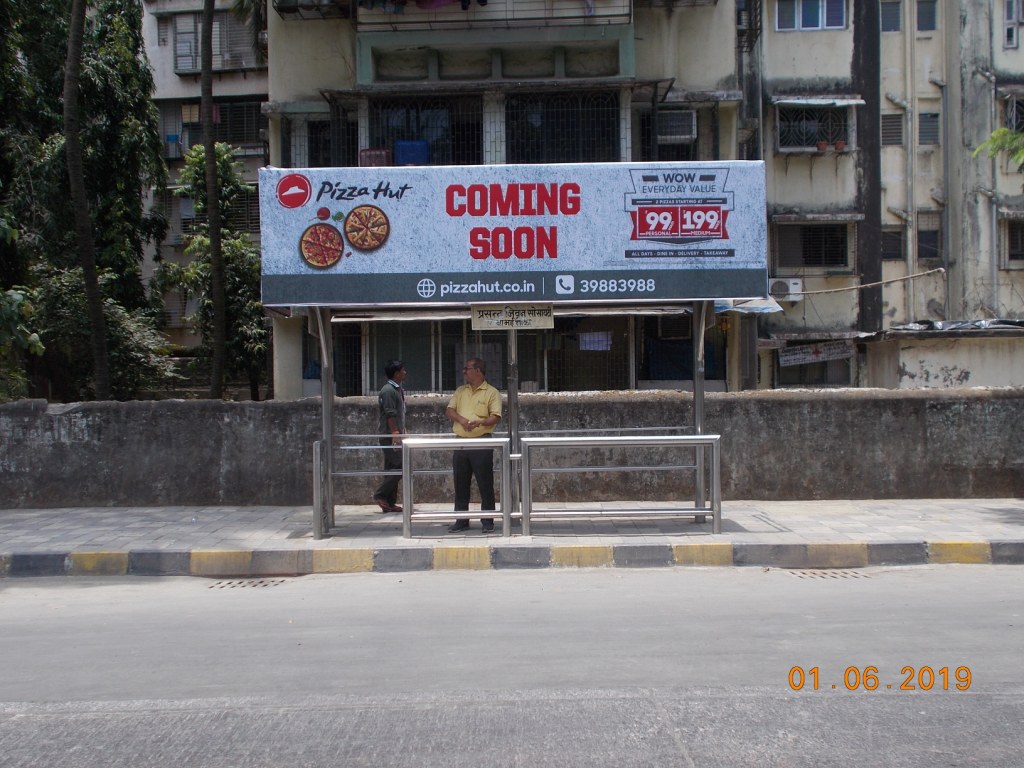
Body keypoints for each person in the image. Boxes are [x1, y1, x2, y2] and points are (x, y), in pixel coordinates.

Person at [445, 357, 502, 533]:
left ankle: (488, 521)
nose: (464, 372)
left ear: (478, 371)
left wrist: (480, 422)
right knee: (460, 483)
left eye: (467, 369)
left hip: (481, 442)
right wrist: (462, 420)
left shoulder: (491, 392)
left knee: (485, 483)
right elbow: (449, 410)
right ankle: (461, 520)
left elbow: (496, 416)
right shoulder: (460, 391)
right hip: (461, 442)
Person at [372, 360, 406, 514]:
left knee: (391, 468)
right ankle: (381, 495)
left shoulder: (396, 389)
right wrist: (395, 434)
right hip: (390, 435)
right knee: (400, 466)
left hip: (396, 433)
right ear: (396, 373)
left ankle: (389, 502)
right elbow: (390, 413)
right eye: (402, 370)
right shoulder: (388, 391)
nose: (405, 373)